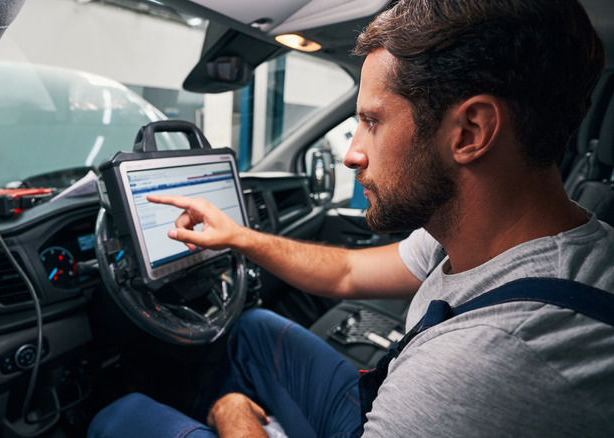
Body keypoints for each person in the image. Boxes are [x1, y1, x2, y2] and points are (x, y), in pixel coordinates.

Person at [89, 0, 614, 436]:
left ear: (470, 132)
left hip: (405, 399)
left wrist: (233, 418)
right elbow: (346, 272)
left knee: (123, 416)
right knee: (252, 329)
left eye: (371, 121)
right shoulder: (490, 235)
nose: (351, 153)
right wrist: (239, 237)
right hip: (388, 391)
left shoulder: (489, 362)